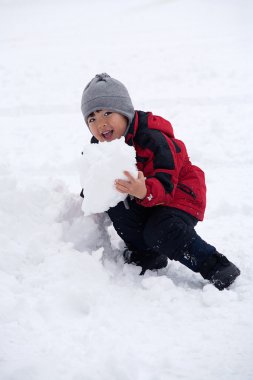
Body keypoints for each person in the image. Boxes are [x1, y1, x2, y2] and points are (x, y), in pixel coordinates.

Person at [80, 73, 240, 290]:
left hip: (178, 194)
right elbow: (94, 181)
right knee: (116, 205)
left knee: (161, 229)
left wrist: (144, 191)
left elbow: (166, 182)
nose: (101, 124)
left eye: (107, 113)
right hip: (144, 198)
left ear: (124, 111)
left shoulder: (152, 137)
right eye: (92, 119)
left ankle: (215, 264)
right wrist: (90, 196)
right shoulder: (100, 149)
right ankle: (147, 255)